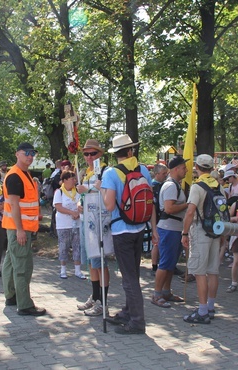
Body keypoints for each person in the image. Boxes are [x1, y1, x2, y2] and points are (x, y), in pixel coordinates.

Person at [102, 134, 158, 334]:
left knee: (129, 278)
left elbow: (108, 206)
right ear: (130, 151)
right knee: (133, 273)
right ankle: (128, 311)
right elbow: (150, 201)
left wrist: (101, 191)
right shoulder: (142, 169)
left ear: (116, 154)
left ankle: (137, 322)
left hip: (121, 230)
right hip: (140, 227)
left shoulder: (110, 173)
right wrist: (154, 230)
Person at [1, 142, 46, 316]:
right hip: (19, 229)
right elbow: (14, 204)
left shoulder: (25, 174)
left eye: (32, 153)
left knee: (12, 262)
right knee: (22, 265)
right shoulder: (15, 176)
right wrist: (20, 230)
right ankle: (25, 304)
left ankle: (11, 296)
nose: (30, 156)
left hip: (19, 227)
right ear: (17, 154)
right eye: (26, 153)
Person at [180, 154, 221, 324]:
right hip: (215, 230)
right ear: (211, 168)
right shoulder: (218, 185)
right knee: (212, 271)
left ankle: (202, 311)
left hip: (200, 229)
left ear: (197, 167)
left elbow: (190, 212)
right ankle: (210, 307)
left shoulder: (198, 187)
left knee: (199, 272)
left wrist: (184, 232)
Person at [75, 139, 111, 316]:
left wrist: (87, 192)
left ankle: (103, 303)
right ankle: (95, 296)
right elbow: (81, 196)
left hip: (99, 223)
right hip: (86, 221)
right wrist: (79, 203)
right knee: (91, 262)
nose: (89, 157)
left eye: (93, 153)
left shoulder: (105, 171)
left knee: (100, 262)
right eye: (86, 154)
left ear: (100, 154)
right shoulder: (86, 172)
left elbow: (106, 195)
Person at [151, 156, 188, 308]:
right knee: (165, 263)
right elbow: (169, 208)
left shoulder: (175, 185)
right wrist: (188, 205)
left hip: (174, 228)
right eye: (184, 168)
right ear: (175, 169)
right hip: (168, 228)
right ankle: (157, 294)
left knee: (170, 263)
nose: (186, 170)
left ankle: (166, 291)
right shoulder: (171, 186)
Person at [53, 170, 84, 279]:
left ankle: (78, 270)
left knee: (77, 246)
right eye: (72, 179)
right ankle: (63, 270)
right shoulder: (59, 192)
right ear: (65, 180)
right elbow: (58, 207)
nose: (74, 181)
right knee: (63, 247)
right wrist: (71, 212)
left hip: (77, 223)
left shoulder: (78, 192)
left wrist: (78, 213)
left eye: (75, 179)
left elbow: (82, 203)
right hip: (63, 224)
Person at [150, 163, 169, 275]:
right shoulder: (152, 186)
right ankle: (154, 266)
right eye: (163, 174)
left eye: (166, 173)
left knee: (161, 242)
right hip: (156, 217)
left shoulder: (164, 185)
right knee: (156, 242)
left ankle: (163, 263)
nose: (165, 176)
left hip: (162, 216)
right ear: (157, 174)